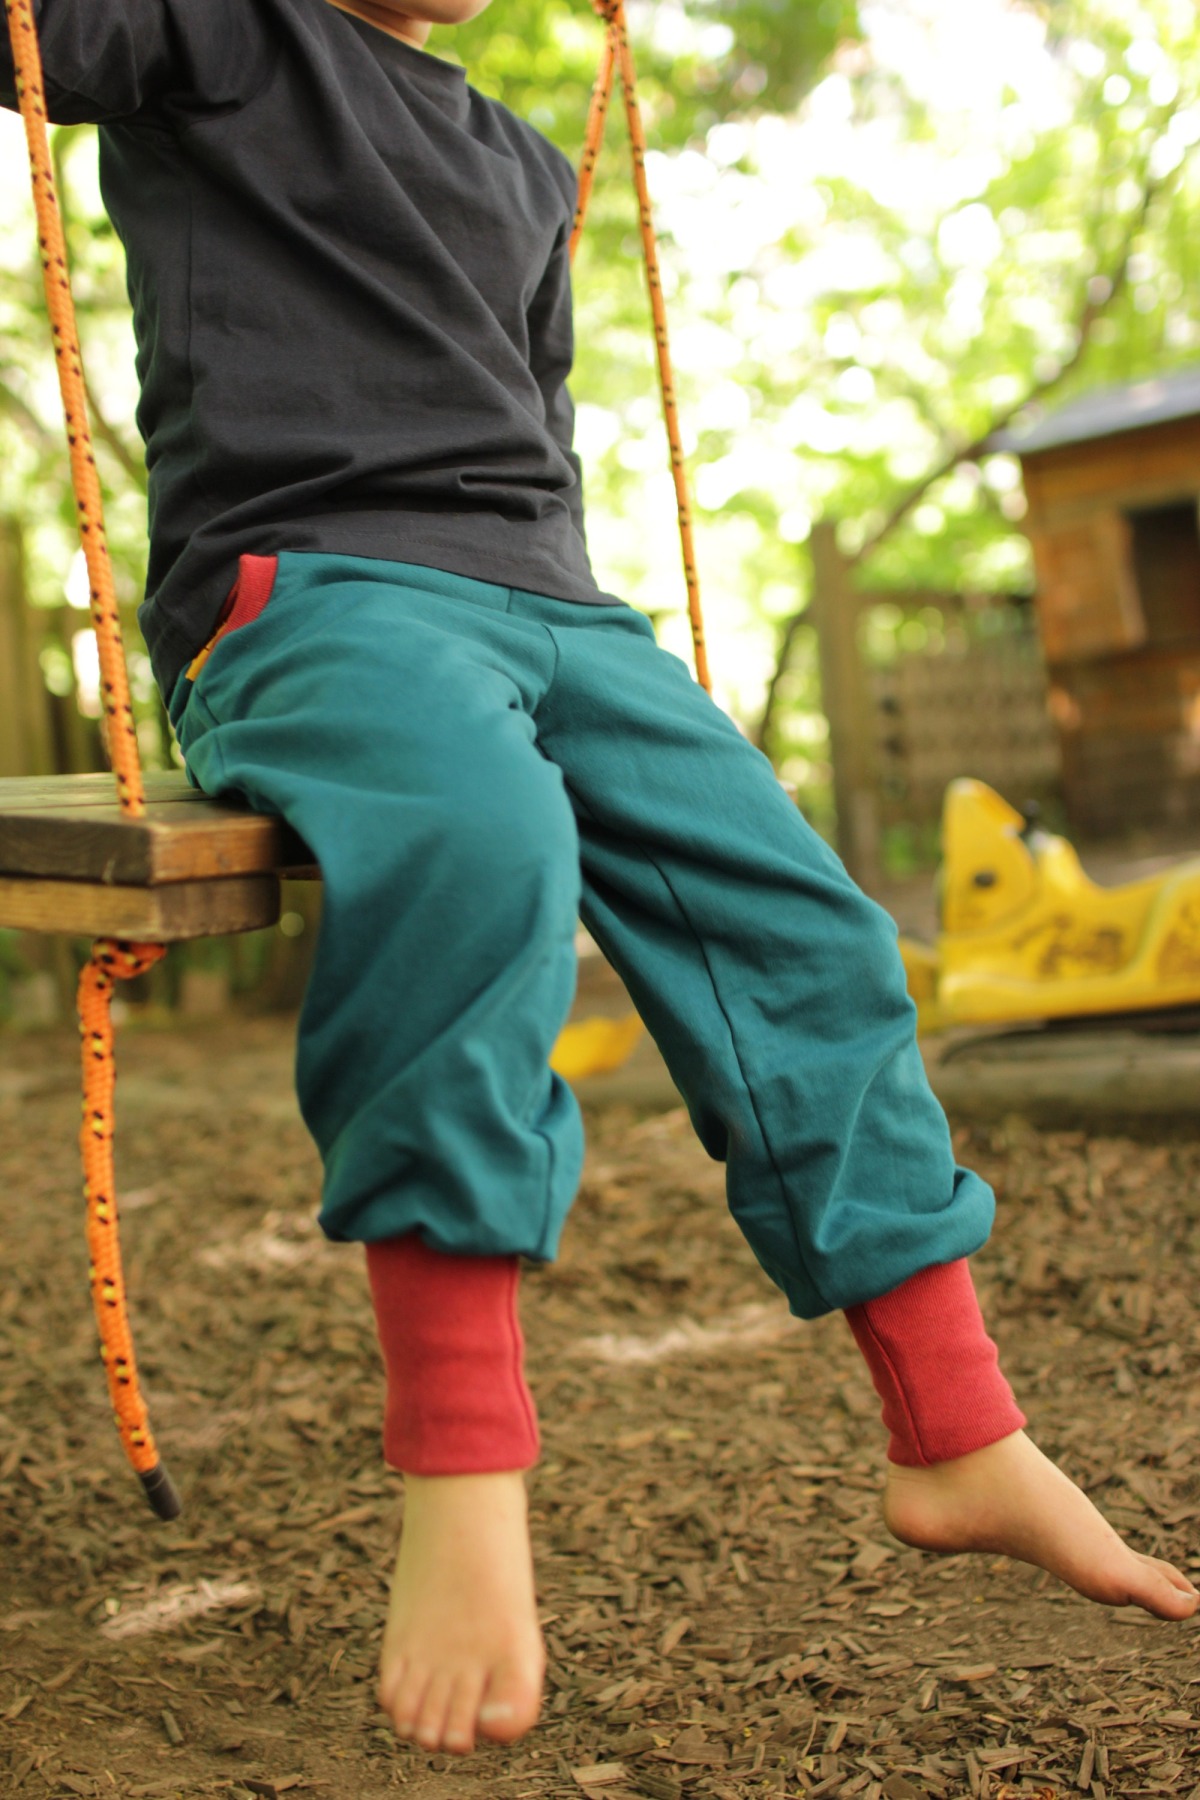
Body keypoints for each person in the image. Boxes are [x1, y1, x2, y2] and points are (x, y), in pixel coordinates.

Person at [4, 0, 1196, 1762]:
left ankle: (956, 1429)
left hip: (557, 604)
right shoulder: (223, 31)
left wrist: (576, 638)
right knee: (487, 846)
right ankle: (466, 1467)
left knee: (811, 922)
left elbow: (529, 435)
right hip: (315, 591)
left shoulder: (519, 161)